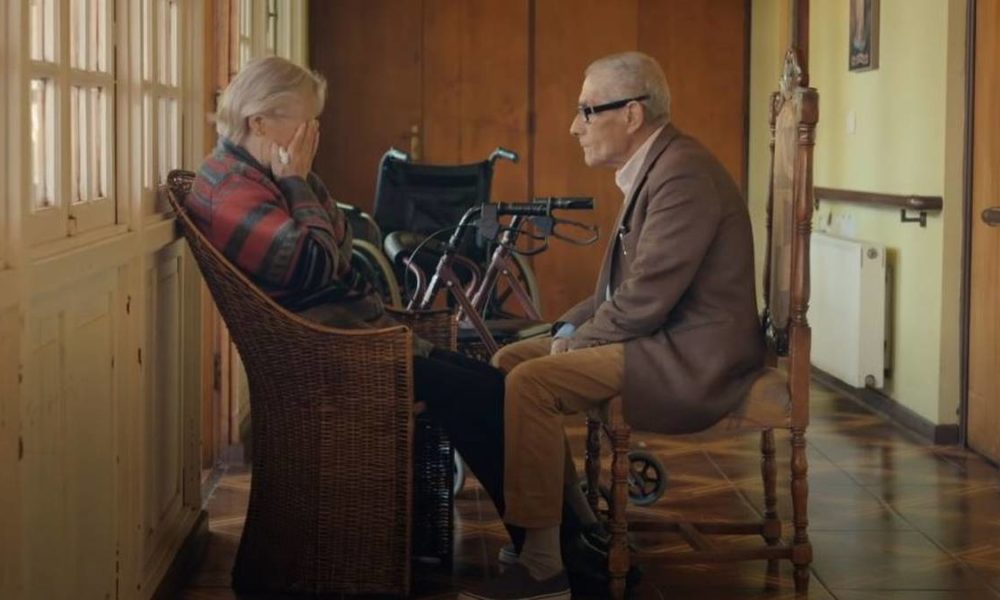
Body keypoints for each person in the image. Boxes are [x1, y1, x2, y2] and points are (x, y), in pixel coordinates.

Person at [459, 52, 764, 600]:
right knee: (508, 362)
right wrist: (565, 329)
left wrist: (576, 342)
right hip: (662, 339)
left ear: (632, 114)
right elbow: (620, 292)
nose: (574, 127)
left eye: (586, 110)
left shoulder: (682, 174)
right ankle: (578, 530)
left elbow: (647, 296)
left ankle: (543, 566)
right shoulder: (660, 166)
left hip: (691, 357)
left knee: (532, 382)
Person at [187, 56, 508, 533]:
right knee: (487, 394)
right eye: (305, 121)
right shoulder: (232, 188)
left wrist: (300, 186)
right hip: (329, 353)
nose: (314, 133)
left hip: (351, 334)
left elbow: (338, 244)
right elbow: (317, 262)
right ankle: (544, 542)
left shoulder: (260, 174)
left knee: (493, 385)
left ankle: (545, 536)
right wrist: (297, 182)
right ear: (259, 122)